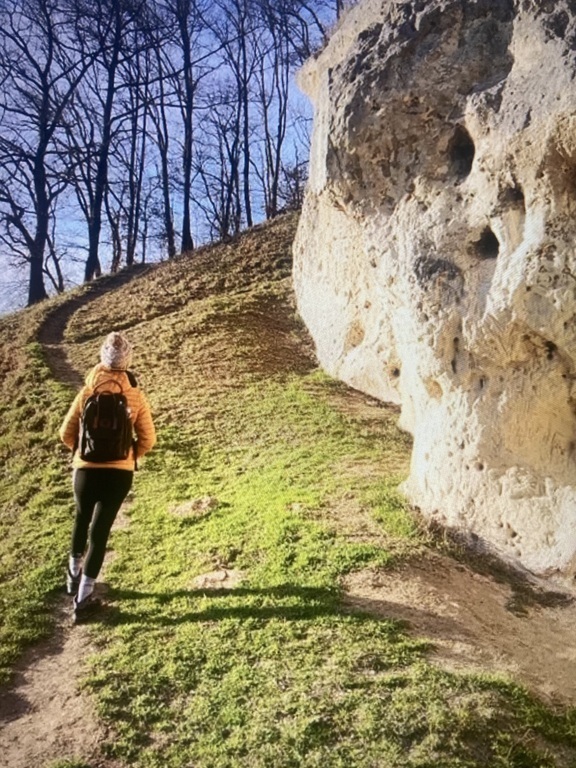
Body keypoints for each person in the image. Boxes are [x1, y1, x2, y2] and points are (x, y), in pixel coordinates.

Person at [59, 331, 156, 622]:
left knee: (81, 518)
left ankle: (72, 576)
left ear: (102, 359)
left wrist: (83, 454)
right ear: (128, 361)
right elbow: (149, 439)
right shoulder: (135, 394)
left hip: (85, 472)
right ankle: (85, 596)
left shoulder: (86, 391)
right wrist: (129, 455)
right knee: (100, 532)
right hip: (119, 475)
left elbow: (65, 433)